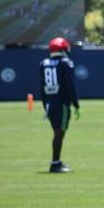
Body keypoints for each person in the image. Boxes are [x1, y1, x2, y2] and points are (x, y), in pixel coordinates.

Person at [39, 37, 80, 173]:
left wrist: (45, 105)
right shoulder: (65, 63)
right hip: (61, 103)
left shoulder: (43, 63)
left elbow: (42, 87)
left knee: (58, 133)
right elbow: (70, 85)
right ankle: (55, 164)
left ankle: (57, 162)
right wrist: (76, 104)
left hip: (50, 103)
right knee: (59, 134)